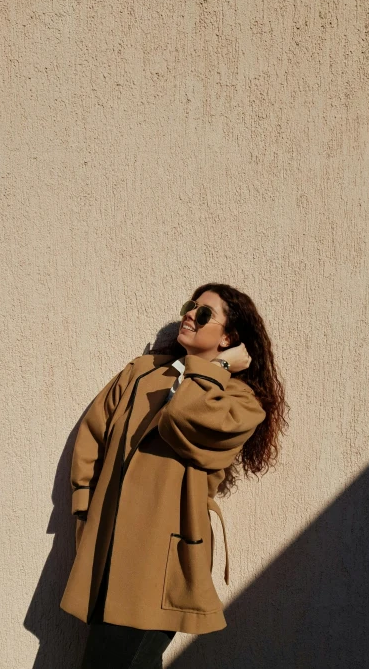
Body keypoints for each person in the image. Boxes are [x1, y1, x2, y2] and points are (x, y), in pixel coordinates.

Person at [60, 283, 287, 668]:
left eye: (203, 314)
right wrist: (84, 509)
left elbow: (182, 416)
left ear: (229, 337)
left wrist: (217, 369)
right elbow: (93, 434)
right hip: (108, 546)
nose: (189, 315)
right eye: (190, 306)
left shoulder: (241, 402)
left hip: (161, 558)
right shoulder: (141, 371)